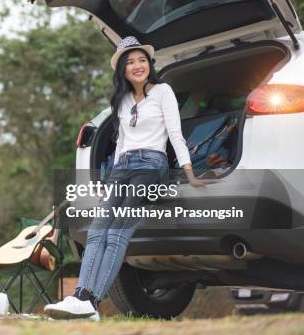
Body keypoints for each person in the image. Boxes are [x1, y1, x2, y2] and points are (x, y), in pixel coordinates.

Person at [43, 36, 217, 320]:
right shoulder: (121, 100)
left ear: (149, 64)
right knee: (98, 230)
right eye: (130, 62)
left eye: (142, 60)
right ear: (122, 69)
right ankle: (81, 298)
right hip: (121, 168)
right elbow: (121, 142)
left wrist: (190, 174)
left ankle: (90, 301)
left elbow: (175, 135)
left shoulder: (163, 92)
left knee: (118, 231)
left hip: (150, 167)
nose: (137, 66)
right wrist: (108, 182)